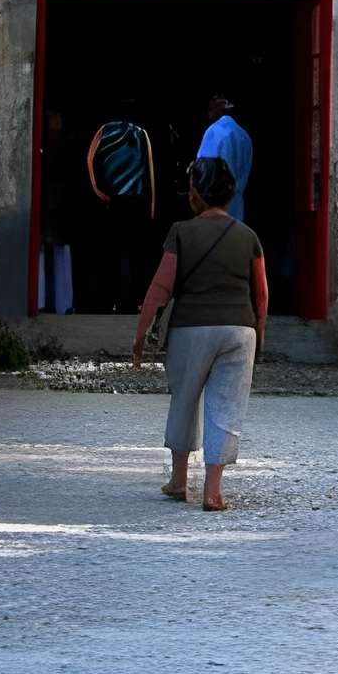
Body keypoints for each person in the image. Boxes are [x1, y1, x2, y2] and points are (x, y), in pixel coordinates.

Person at [129, 155, 266, 510]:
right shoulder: (249, 236)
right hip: (240, 330)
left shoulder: (181, 232)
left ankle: (178, 481)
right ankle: (213, 492)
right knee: (227, 407)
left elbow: (160, 288)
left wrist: (141, 336)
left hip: (190, 329)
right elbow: (261, 293)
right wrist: (259, 332)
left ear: (196, 194)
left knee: (185, 400)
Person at [85, 104, 159, 308]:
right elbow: (150, 170)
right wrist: (152, 204)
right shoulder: (140, 133)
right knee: (133, 252)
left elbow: (90, 160)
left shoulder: (105, 130)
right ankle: (131, 299)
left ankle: (110, 298)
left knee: (113, 251)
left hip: (113, 200)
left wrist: (98, 191)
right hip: (135, 200)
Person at [194, 93, 255, 228]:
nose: (208, 113)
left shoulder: (214, 131)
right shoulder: (244, 136)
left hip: (216, 212)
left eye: (211, 109)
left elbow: (204, 173)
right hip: (238, 210)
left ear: (219, 108)